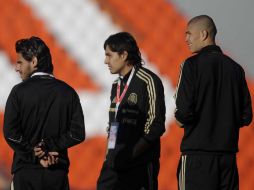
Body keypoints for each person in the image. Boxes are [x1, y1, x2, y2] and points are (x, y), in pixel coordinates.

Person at [175, 15, 253, 190]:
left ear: (203, 34)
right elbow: (246, 117)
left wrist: (181, 119)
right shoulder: (236, 69)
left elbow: (184, 110)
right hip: (228, 159)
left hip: (197, 159)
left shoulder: (190, 65)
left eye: (188, 33)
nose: (186, 39)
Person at [3, 36, 86, 190]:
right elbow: (77, 134)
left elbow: (10, 133)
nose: (16, 67)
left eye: (20, 62)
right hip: (56, 173)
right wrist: (49, 146)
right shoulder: (68, 93)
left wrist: (34, 154)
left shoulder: (18, 92)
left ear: (33, 62)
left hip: (26, 173)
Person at [97, 32, 166, 190]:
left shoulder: (148, 81)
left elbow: (156, 125)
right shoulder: (116, 85)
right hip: (115, 163)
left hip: (139, 163)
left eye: (109, 55)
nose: (105, 61)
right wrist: (110, 154)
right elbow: (113, 125)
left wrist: (131, 154)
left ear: (123, 55)